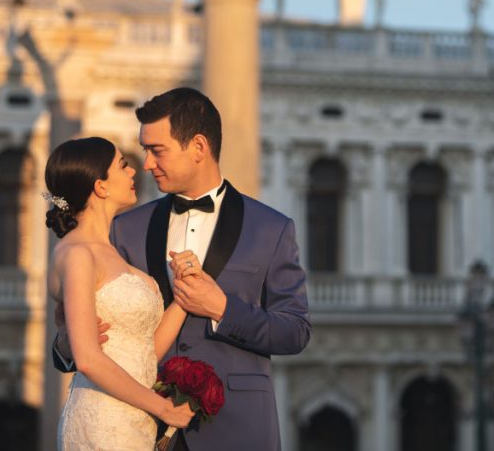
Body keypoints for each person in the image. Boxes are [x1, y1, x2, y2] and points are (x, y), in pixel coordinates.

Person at [54, 87, 311, 451]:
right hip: (138, 424)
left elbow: (295, 331)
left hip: (237, 429)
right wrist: (67, 344)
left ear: (199, 147)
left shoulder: (272, 228)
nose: (146, 164)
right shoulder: (125, 228)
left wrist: (222, 309)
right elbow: (80, 336)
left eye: (157, 150)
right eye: (143, 151)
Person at [45, 137, 196, 450]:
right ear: (101, 186)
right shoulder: (77, 253)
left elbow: (146, 350)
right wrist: (163, 408)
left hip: (136, 420)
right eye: (123, 165)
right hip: (101, 421)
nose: (134, 171)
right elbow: (87, 359)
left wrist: (185, 294)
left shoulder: (109, 250)